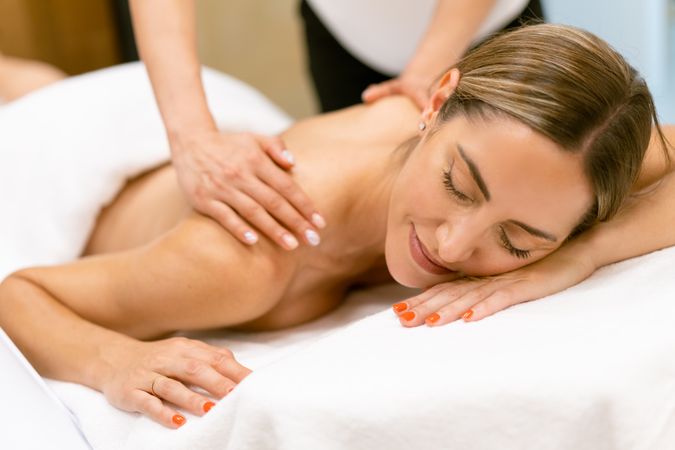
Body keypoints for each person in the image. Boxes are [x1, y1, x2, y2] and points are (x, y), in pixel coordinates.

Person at [1, 24, 673, 430]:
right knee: (48, 101)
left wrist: (577, 260)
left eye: (518, 241)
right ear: (433, 102)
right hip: (80, 162)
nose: (452, 246)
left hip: (246, 122)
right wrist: (115, 360)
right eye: (455, 186)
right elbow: (21, 294)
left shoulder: (552, 154)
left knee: (48, 83)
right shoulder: (244, 258)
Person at [128, 0, 543, 257]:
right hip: (345, 26)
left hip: (485, 24)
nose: (451, 248)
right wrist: (192, 138)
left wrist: (426, 72)